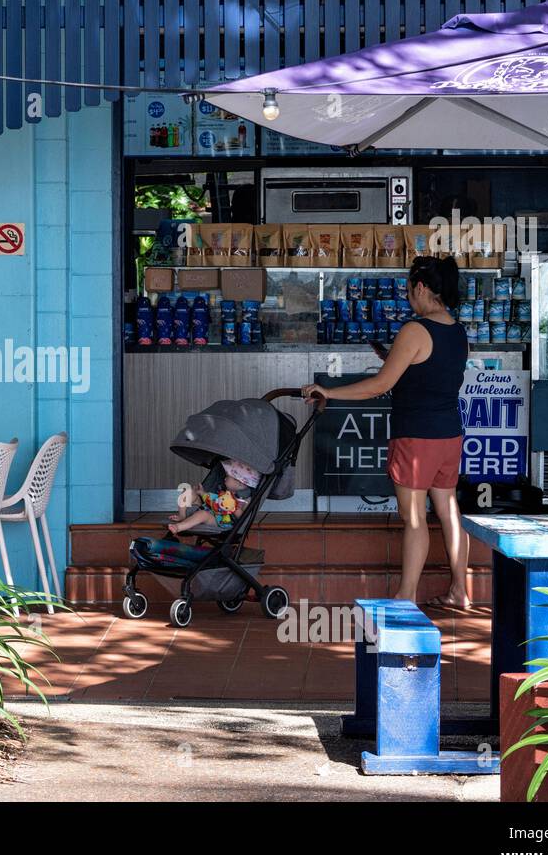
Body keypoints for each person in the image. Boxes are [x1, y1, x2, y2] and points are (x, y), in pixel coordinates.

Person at [301, 256, 471, 609]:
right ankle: (460, 590)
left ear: (421, 287)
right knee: (448, 509)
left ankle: (405, 596)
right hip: (449, 434)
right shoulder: (457, 329)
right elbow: (430, 372)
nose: (409, 298)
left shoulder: (415, 330)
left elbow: (379, 386)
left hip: (416, 437)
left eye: (409, 291)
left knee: (413, 519)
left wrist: (329, 392)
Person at [167, 459, 259, 535]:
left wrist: (234, 508)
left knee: (202, 514)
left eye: (228, 476)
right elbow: (213, 498)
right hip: (209, 506)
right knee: (188, 491)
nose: (225, 478)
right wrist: (202, 493)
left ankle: (178, 527)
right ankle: (182, 516)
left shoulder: (245, 500)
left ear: (239, 483)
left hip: (221, 520)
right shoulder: (224, 491)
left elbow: (243, 518)